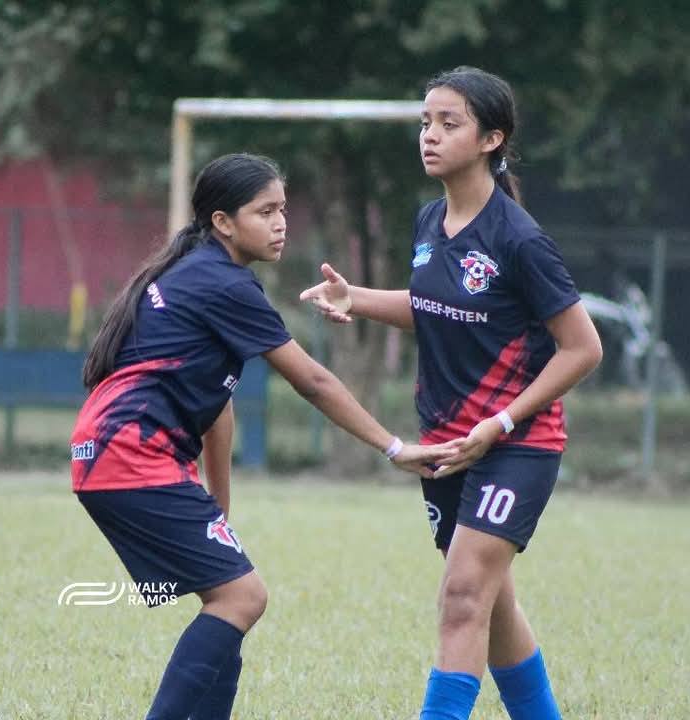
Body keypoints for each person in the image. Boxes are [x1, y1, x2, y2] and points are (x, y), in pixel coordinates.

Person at [71, 153, 459, 720]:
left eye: (283, 210)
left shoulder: (197, 271)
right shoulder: (225, 284)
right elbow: (313, 381)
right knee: (243, 597)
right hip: (129, 455)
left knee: (228, 597)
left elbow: (217, 410)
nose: (281, 223)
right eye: (265, 212)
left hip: (107, 454)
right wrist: (394, 447)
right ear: (223, 222)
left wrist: (219, 510)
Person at [300, 68, 603, 720]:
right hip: (445, 443)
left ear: (492, 138)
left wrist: (502, 422)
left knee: (463, 596)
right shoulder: (429, 220)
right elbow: (434, 307)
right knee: (491, 603)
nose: (429, 136)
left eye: (448, 123)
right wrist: (356, 298)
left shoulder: (520, 239)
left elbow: (584, 348)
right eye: (425, 122)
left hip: (515, 444)